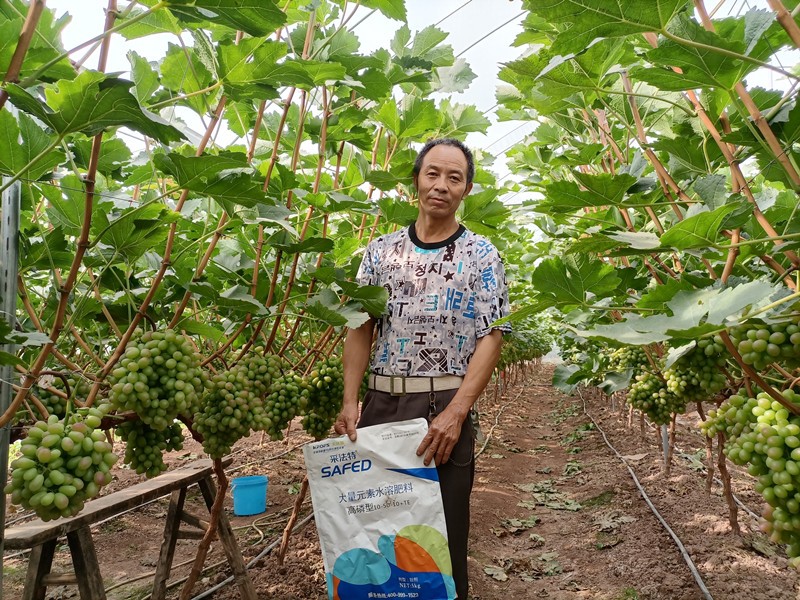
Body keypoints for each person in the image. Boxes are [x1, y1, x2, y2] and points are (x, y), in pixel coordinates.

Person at [333, 138, 511, 599]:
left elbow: (491, 337)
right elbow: (359, 327)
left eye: (454, 177)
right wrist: (351, 400)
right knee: (378, 529)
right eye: (433, 173)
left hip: (441, 410)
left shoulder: (482, 255)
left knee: (441, 536)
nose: (441, 186)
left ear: (466, 188)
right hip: (380, 405)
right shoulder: (380, 252)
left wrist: (456, 413)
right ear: (416, 179)